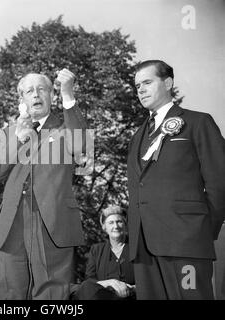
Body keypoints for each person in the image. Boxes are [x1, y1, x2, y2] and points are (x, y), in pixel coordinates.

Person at [127, 59, 225, 299]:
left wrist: (200, 230)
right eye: (137, 85)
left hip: (186, 242)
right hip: (143, 248)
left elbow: (220, 181)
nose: (140, 89)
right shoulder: (137, 136)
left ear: (168, 83)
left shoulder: (198, 122)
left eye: (147, 82)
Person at [0, 68, 88, 300]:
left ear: (52, 96)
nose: (36, 95)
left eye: (42, 89)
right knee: (10, 290)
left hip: (52, 219)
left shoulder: (67, 126)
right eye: (29, 91)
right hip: (13, 220)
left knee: (51, 290)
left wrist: (68, 95)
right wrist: (17, 136)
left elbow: (81, 146)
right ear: (21, 99)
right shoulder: (9, 132)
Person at [72, 205, 135, 300]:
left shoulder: (136, 248)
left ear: (125, 225)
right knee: (85, 287)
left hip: (132, 296)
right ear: (105, 227)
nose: (116, 226)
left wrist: (132, 289)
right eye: (111, 223)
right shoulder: (96, 250)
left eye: (119, 222)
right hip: (104, 297)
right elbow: (90, 281)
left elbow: (148, 277)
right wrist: (109, 282)